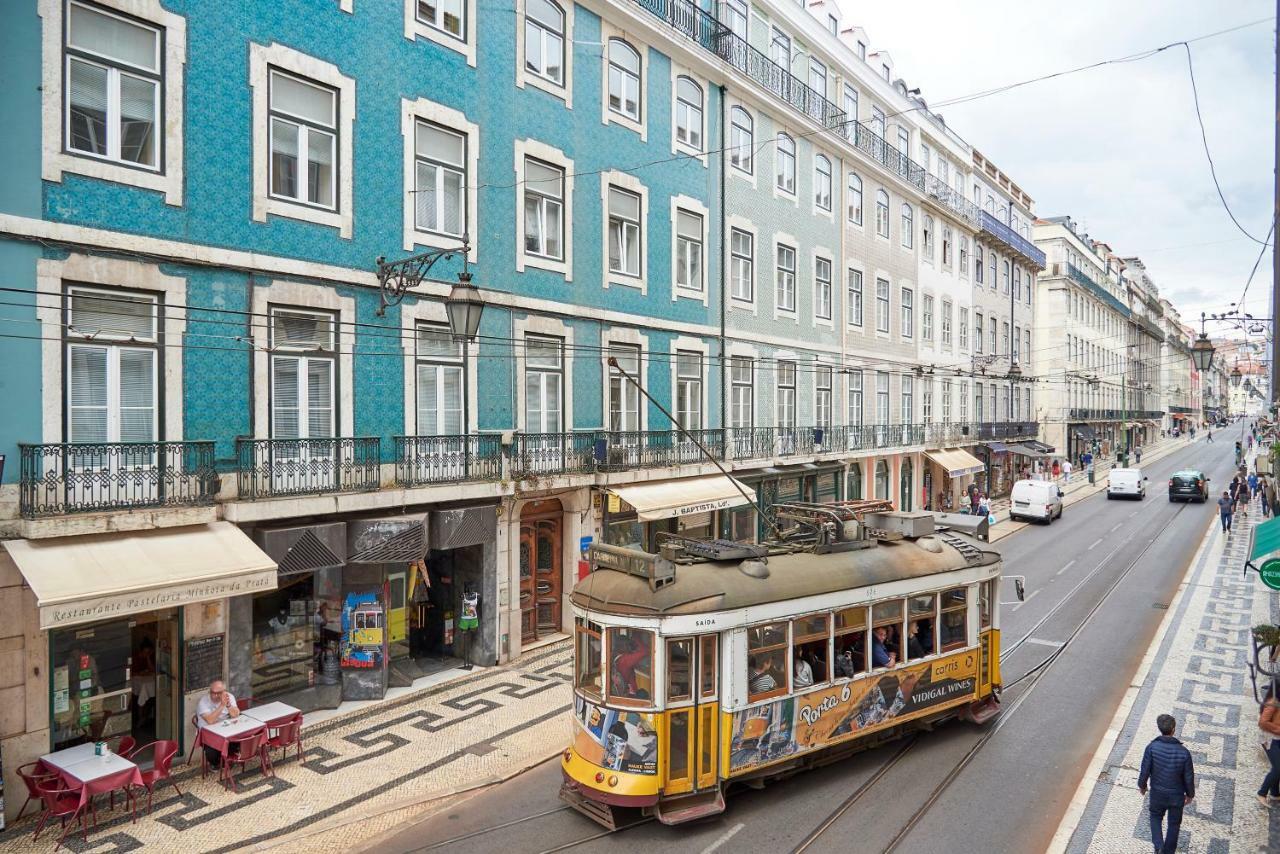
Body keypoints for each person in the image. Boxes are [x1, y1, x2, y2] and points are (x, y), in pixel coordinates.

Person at [1138, 713, 1196, 854]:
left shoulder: (1151, 748)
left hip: (1157, 793)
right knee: (1174, 824)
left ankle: (1158, 845)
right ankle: (1168, 852)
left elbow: (1144, 770)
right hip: (1176, 796)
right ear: (1173, 729)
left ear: (1160, 729)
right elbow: (1189, 777)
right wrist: (1190, 795)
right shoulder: (1184, 753)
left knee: (1155, 817)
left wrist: (1142, 786)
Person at [196, 679, 241, 769]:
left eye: (218, 693)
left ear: (224, 692)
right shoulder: (203, 702)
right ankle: (216, 763)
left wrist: (228, 705)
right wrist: (222, 705)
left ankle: (228, 757)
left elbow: (235, 715)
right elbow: (210, 720)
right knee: (212, 754)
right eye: (213, 692)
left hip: (226, 730)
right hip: (208, 733)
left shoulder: (229, 697)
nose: (215, 695)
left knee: (240, 737)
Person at [1257, 687, 1280, 806]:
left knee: (1277, 767)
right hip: (1270, 739)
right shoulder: (1274, 701)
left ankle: (1275, 794)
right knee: (1278, 768)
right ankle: (1262, 793)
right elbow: (1263, 722)